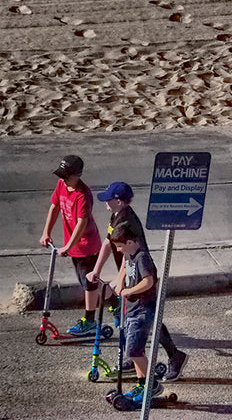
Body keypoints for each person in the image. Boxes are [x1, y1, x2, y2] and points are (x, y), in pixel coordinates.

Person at [87, 181, 189, 381]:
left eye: (108, 199)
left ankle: (170, 357)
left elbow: (131, 256)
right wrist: (110, 275)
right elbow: (110, 242)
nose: (105, 203)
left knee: (146, 318)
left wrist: (120, 280)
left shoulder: (128, 223)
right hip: (130, 271)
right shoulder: (117, 215)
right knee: (134, 317)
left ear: (118, 201)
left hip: (140, 273)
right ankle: (133, 356)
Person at [39, 154, 104, 335]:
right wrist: (46, 232)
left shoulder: (83, 195)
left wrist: (67, 247)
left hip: (86, 246)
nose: (63, 179)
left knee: (89, 284)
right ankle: (114, 302)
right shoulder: (62, 185)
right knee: (89, 281)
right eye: (62, 175)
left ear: (78, 175)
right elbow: (54, 207)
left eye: (67, 176)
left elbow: (81, 224)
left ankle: (90, 321)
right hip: (74, 246)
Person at [110, 222, 164, 403]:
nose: (118, 250)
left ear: (131, 242)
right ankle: (142, 383)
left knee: (133, 350)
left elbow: (149, 281)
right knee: (133, 349)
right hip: (132, 310)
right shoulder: (130, 255)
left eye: (119, 246)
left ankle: (152, 384)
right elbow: (125, 267)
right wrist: (119, 283)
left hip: (143, 310)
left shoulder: (142, 258)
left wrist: (129, 291)